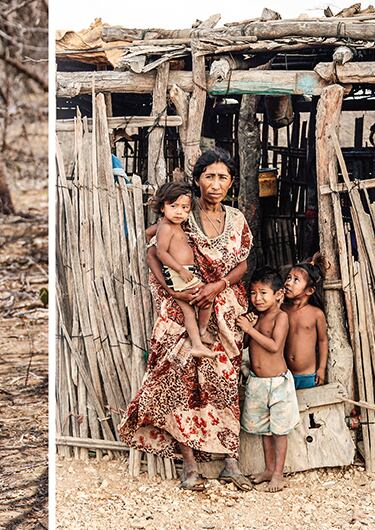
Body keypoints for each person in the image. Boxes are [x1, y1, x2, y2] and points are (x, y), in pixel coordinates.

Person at [119, 148, 254, 492]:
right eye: (209, 176)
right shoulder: (182, 214)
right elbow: (150, 247)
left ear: (231, 183)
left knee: (223, 384)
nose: (216, 183)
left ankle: (230, 461)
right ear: (197, 181)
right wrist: (173, 287)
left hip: (224, 313)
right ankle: (190, 466)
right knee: (181, 384)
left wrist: (218, 285)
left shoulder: (237, 219)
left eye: (223, 177)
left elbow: (243, 265)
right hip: (183, 309)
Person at [236, 266, 297, 492]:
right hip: (257, 382)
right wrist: (247, 329)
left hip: (278, 384)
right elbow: (244, 345)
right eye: (253, 293)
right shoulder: (257, 318)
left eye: (263, 293)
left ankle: (279, 475)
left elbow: (274, 346)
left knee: (279, 430)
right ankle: (269, 469)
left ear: (278, 295)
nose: (257, 298)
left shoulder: (281, 317)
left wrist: (249, 330)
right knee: (263, 430)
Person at [149, 181, 212, 358]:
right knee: (206, 296)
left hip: (182, 272)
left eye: (184, 208)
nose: (179, 211)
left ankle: (197, 344)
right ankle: (202, 330)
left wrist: (149, 235)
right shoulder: (166, 228)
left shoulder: (169, 226)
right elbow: (161, 252)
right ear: (162, 207)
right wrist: (180, 269)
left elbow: (148, 232)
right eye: (173, 206)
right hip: (179, 272)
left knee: (188, 311)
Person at [283, 256, 329, 390]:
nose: (289, 283)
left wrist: (322, 368)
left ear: (309, 290)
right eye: (288, 278)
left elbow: (322, 341)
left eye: (296, 280)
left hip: (308, 375)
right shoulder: (282, 310)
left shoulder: (316, 314)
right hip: (285, 374)